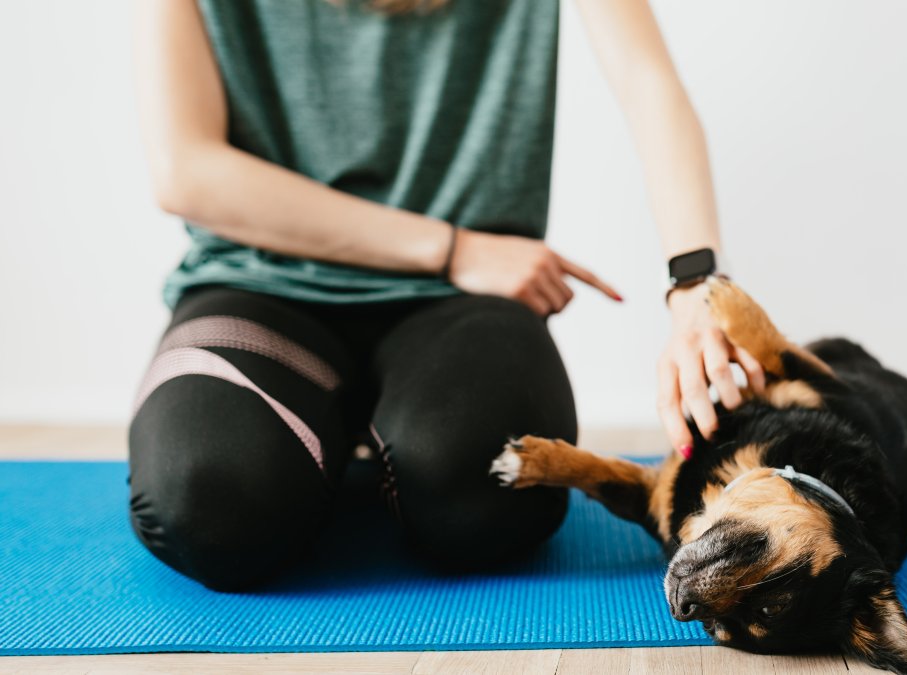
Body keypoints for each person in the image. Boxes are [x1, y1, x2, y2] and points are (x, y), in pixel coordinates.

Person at [129, 0, 765, 591]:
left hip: (459, 303)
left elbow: (646, 82)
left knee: (488, 496)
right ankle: (329, 450)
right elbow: (186, 170)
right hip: (258, 286)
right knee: (209, 504)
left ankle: (362, 453)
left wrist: (696, 288)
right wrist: (453, 246)